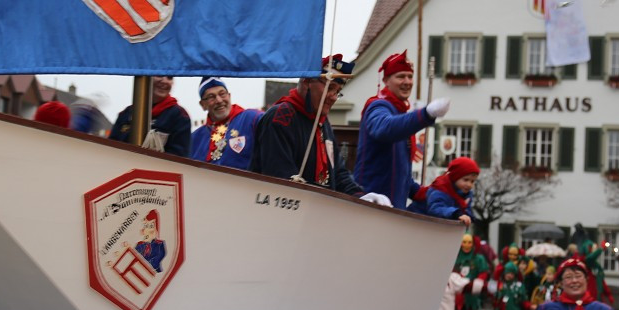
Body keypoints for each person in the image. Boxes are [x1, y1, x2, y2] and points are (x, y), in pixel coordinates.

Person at [251, 56, 390, 204]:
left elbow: (338, 174)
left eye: (338, 91)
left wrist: (361, 196)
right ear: (307, 81)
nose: (334, 97)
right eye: (330, 88)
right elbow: (281, 179)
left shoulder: (323, 123)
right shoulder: (281, 117)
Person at [353, 51, 449, 209]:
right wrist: (425, 114)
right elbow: (385, 128)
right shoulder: (378, 105)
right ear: (386, 81)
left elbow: (399, 173)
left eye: (410, 77)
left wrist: (426, 192)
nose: (407, 81)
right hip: (372, 206)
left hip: (392, 209)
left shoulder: (399, 112)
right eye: (400, 76)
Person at [190, 77, 262, 170]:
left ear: (229, 96)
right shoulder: (194, 139)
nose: (219, 100)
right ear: (203, 104)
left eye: (222, 94)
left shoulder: (252, 118)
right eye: (211, 97)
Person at [110, 75, 192, 157]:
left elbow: (179, 158)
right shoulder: (126, 114)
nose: (164, 81)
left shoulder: (179, 116)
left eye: (170, 77)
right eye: (159, 75)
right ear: (146, 78)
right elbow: (110, 149)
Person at [411, 157, 480, 227]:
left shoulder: (466, 195)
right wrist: (455, 213)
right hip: (415, 222)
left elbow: (465, 210)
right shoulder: (440, 189)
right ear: (455, 177)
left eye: (472, 181)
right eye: (466, 180)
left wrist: (469, 216)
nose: (469, 184)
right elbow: (435, 209)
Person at [451, 233, 488, 310]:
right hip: (457, 293)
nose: (466, 245)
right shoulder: (455, 255)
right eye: (464, 242)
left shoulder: (478, 259)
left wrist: (479, 281)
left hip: (471, 295)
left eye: (469, 242)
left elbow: (483, 272)